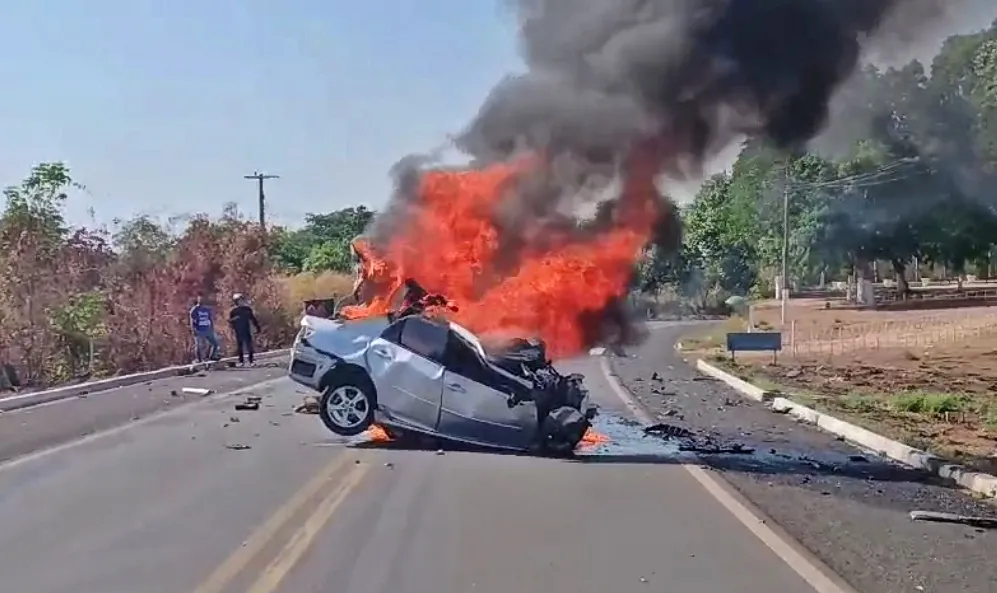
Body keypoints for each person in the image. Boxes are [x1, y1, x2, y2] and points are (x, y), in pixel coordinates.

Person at [228, 293, 261, 366]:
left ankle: (251, 361)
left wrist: (257, 327)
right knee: (240, 346)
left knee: (249, 345)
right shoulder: (233, 311)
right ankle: (241, 361)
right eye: (239, 300)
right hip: (238, 330)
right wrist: (234, 320)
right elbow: (229, 321)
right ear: (236, 302)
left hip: (246, 329)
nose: (241, 302)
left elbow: (252, 318)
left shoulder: (247, 309)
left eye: (242, 300)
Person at [189, 296, 220, 362]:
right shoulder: (195, 309)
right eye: (200, 299)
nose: (202, 301)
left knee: (215, 343)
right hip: (199, 329)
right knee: (199, 345)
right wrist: (193, 329)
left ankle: (212, 356)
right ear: (198, 300)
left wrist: (211, 327)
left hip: (207, 329)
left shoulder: (207, 309)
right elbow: (192, 320)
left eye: (203, 299)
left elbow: (210, 319)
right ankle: (198, 359)